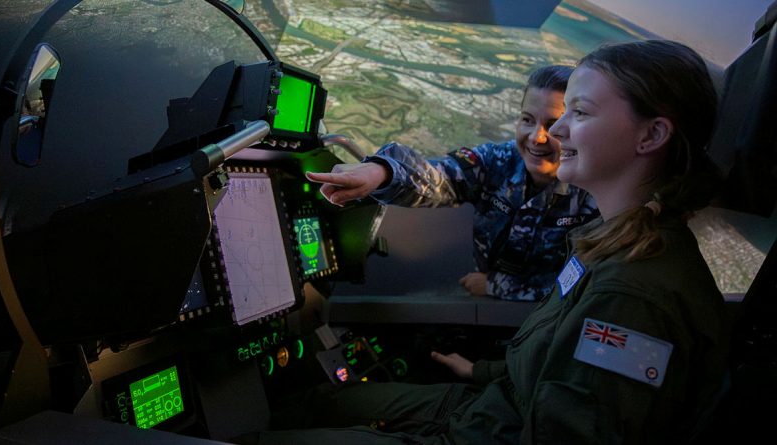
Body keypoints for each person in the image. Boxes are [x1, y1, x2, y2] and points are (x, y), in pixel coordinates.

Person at [238, 40, 730, 444]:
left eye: (577, 112)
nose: (551, 133)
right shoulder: (617, 238)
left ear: (652, 136)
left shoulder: (634, 294)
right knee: (316, 404)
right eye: (530, 119)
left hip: (490, 424)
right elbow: (446, 174)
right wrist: (482, 373)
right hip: (494, 399)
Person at [307, 65, 598, 301]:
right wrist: (382, 172)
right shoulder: (497, 160)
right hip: (487, 295)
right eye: (527, 119)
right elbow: (440, 176)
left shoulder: (593, 190)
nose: (537, 137)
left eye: (552, 124)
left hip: (549, 315)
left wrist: (498, 287)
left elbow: (584, 284)